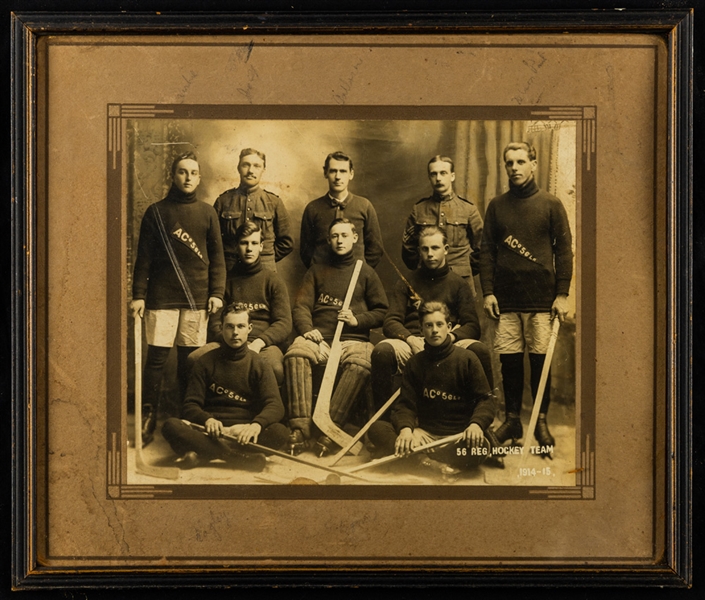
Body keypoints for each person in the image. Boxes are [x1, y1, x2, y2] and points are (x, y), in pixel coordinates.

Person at [479, 141, 573, 451]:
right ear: (505, 166)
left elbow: (565, 253)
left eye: (521, 162)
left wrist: (561, 294)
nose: (515, 168)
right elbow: (487, 252)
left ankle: (541, 420)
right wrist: (489, 292)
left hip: (541, 301)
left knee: (540, 362)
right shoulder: (497, 206)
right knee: (509, 363)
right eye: (510, 163)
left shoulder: (551, 204)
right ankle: (512, 420)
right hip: (506, 301)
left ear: (533, 164)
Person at [131, 151, 226, 446]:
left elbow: (218, 258)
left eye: (193, 172)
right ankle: (149, 418)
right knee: (157, 359)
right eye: (182, 172)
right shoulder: (156, 212)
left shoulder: (208, 212)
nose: (187, 177)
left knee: (191, 362)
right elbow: (143, 259)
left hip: (197, 298)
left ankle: (188, 418)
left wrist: (217, 293)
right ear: (173, 176)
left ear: (199, 177)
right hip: (161, 298)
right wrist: (139, 295)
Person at [285, 218, 389, 456]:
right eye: (334, 236)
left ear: (354, 238)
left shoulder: (365, 272)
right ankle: (300, 429)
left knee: (361, 363)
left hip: (353, 339)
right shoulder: (316, 271)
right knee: (296, 353)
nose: (339, 240)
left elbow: (383, 311)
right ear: (329, 240)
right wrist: (307, 329)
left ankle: (330, 430)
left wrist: (357, 320)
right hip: (319, 338)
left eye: (344, 235)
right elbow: (301, 306)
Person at [367, 302, 500, 477]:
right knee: (376, 429)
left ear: (449, 327)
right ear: (421, 330)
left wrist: (476, 425)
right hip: (423, 435)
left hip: (457, 437)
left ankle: (417, 460)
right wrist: (406, 430)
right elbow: (406, 405)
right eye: (428, 325)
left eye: (439, 324)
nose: (434, 330)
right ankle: (431, 464)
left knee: (480, 448)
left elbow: (485, 400)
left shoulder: (467, 359)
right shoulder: (415, 363)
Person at [371, 226, 493, 414]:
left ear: (445, 249)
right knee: (382, 351)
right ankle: (383, 422)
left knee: (479, 350)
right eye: (425, 249)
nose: (430, 254)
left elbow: (472, 326)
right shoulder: (407, 281)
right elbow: (390, 321)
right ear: (419, 251)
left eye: (435, 248)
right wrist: (410, 339)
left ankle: (482, 420)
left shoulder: (458, 283)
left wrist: (450, 338)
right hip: (415, 344)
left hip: (448, 345)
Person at [161, 306, 289, 471]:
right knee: (171, 426)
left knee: (280, 432)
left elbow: (275, 405)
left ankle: (204, 454)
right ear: (221, 328)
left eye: (241, 326)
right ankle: (236, 458)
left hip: (244, 433)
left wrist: (255, 425)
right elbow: (190, 405)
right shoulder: (205, 362)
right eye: (229, 326)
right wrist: (207, 420)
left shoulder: (260, 364)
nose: (235, 332)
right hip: (210, 432)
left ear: (249, 329)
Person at [191, 221, 292, 386]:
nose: (249, 248)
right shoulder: (226, 280)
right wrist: (230, 342)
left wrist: (259, 342)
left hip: (263, 343)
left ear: (261, 246)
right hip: (229, 341)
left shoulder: (273, 280)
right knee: (194, 359)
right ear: (236, 246)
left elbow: (284, 322)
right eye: (244, 243)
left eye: (254, 243)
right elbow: (215, 321)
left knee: (275, 368)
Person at [402, 155, 483, 296]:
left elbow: (483, 247)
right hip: (426, 281)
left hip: (461, 282)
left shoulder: (468, 210)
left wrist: (465, 267)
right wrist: (422, 268)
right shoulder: (419, 209)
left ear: (452, 176)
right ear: (429, 177)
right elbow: (408, 248)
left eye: (443, 173)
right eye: (434, 174)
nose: (438, 178)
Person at [213, 148, 294, 272]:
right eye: (245, 165)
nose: (250, 171)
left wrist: (266, 258)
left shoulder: (274, 202)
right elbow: (212, 241)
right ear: (238, 168)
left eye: (256, 166)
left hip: (264, 271)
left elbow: (287, 243)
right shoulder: (223, 201)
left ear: (263, 170)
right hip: (230, 270)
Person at [299, 151, 384, 269]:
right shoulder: (313, 208)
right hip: (322, 277)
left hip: (355, 278)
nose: (338, 177)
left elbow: (375, 249)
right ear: (325, 173)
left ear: (351, 174)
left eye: (343, 171)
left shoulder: (364, 206)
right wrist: (318, 272)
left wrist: (360, 273)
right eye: (333, 171)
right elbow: (306, 251)